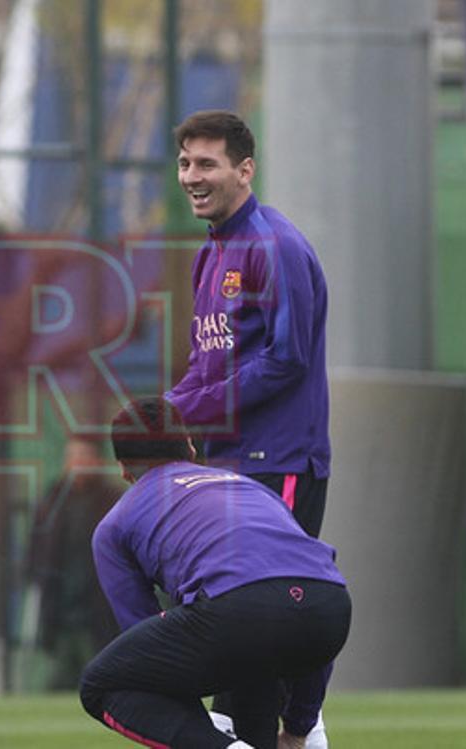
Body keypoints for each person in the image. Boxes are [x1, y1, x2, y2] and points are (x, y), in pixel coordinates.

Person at [165, 110, 332, 747]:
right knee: (244, 638)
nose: (192, 176)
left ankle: (294, 731)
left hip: (280, 462)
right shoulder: (212, 254)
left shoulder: (275, 247)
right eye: (184, 163)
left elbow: (286, 360)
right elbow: (208, 365)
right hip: (229, 466)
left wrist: (194, 410)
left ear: (245, 169)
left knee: (270, 625)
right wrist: (159, 414)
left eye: (206, 163)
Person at [78, 397, 351, 749]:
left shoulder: (114, 525)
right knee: (256, 659)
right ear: (190, 447)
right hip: (331, 606)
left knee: (101, 684)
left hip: (237, 612)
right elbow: (306, 593)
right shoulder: (248, 486)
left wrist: (201, 739)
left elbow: (150, 661)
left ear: (123, 468)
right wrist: (299, 729)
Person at [25, 437, 121, 689]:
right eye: (72, 457)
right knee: (59, 677)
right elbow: (36, 549)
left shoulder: (112, 502)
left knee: (100, 674)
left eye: (82, 457)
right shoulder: (52, 502)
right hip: (61, 607)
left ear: (97, 461)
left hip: (99, 609)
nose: (76, 464)